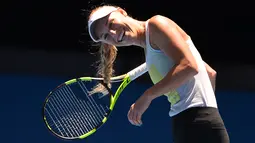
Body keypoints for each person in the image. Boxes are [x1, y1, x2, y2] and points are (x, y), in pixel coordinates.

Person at [87, 4, 230, 143]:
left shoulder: (156, 25)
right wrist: (208, 112)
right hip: (188, 123)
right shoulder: (150, 50)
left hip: (197, 124)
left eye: (111, 23)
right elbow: (209, 72)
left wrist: (147, 96)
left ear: (122, 12)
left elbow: (189, 66)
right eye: (105, 36)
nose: (112, 33)